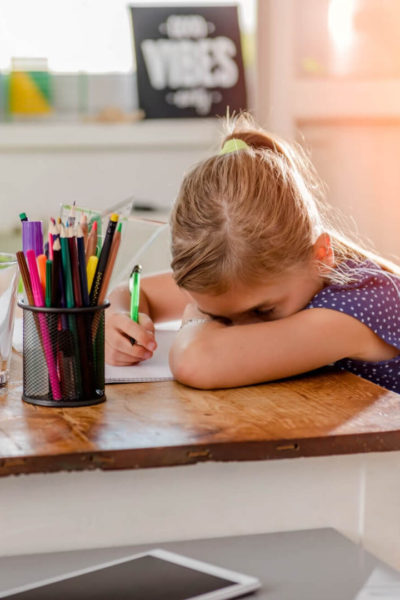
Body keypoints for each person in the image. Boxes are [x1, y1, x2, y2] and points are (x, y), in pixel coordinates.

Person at [106, 114, 400, 393]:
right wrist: (120, 321)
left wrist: (199, 310)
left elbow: (195, 361)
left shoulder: (356, 309)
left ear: (321, 255)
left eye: (263, 311)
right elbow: (132, 291)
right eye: (220, 315)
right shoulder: (256, 283)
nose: (238, 328)